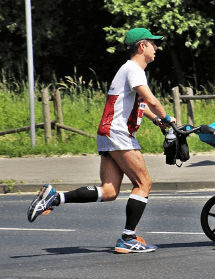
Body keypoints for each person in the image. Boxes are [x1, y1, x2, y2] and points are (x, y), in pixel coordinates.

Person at [27, 28, 176, 254]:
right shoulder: (133, 69)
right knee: (143, 183)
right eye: (153, 44)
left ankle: (55, 198)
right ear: (141, 46)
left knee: (109, 191)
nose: (157, 48)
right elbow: (151, 99)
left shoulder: (128, 71)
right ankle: (128, 238)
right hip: (119, 134)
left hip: (108, 132)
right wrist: (167, 118)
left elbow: (137, 105)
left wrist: (157, 121)